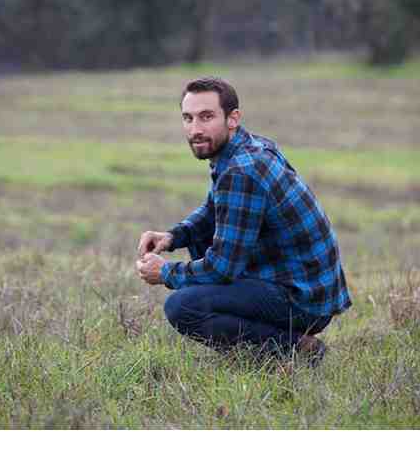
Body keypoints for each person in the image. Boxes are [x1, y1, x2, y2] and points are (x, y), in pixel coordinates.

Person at [136, 77, 351, 365]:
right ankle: (266, 342)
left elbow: (222, 268)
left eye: (206, 117)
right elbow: (214, 208)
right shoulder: (245, 148)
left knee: (182, 306)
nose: (195, 129)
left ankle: (297, 348)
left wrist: (166, 272)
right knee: (200, 244)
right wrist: (174, 236)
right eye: (188, 118)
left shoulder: (241, 171)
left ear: (233, 118)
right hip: (304, 287)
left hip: (303, 301)